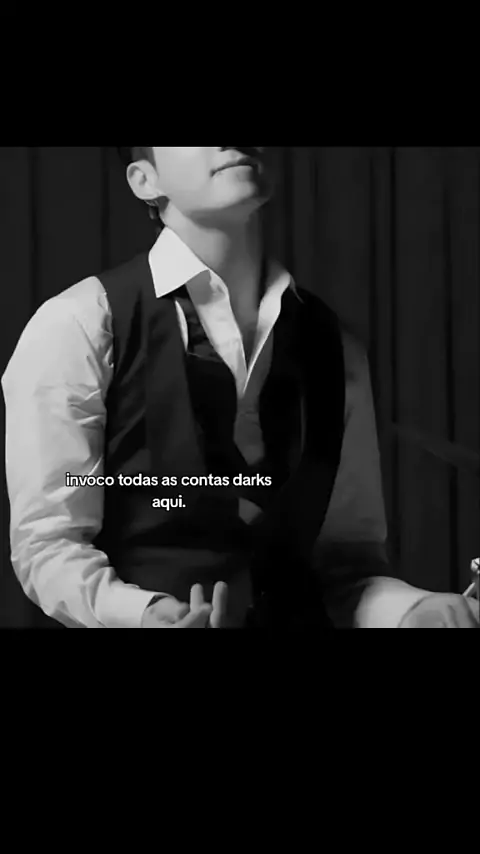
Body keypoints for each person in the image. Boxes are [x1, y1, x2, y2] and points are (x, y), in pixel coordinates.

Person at [2, 146, 478, 629]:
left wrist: (413, 611)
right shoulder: (80, 323)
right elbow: (49, 545)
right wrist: (143, 614)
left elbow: (347, 565)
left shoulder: (336, 345)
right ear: (145, 180)